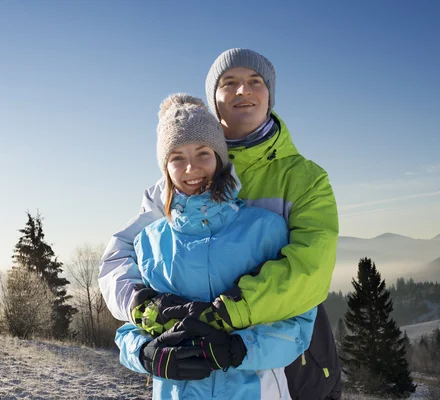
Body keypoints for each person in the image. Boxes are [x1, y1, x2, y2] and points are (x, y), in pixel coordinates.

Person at [99, 48, 341, 399]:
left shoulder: (304, 179)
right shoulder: (171, 189)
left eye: (254, 82)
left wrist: (226, 315)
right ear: (214, 98)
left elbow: (310, 268)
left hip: (290, 364)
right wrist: (144, 307)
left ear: (270, 93)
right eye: (230, 83)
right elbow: (122, 256)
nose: (243, 91)